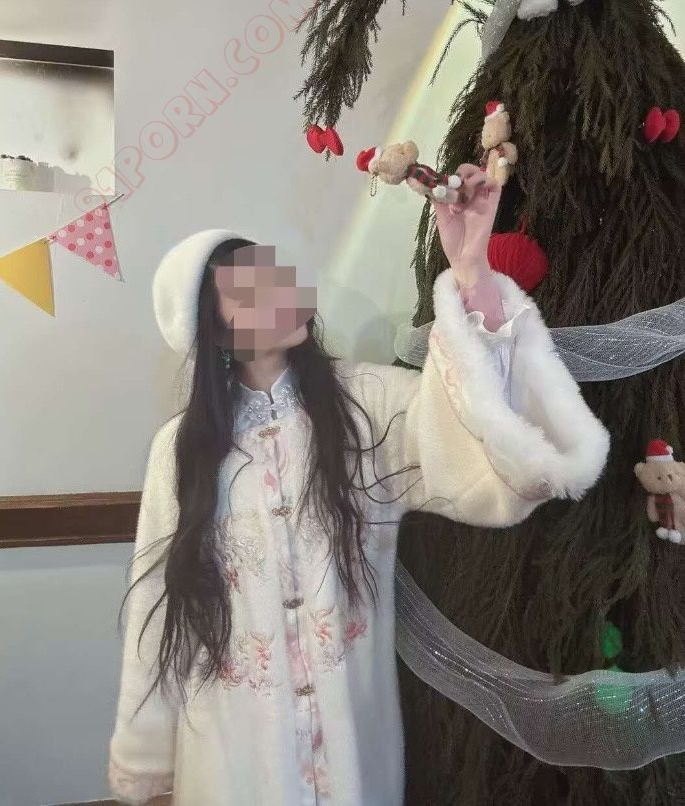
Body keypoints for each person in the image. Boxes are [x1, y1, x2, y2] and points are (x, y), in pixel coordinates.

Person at [107, 179, 609, 805]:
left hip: (352, 752)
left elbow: (488, 455)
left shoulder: (367, 407)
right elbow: (157, 611)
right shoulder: (180, 450)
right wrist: (148, 765)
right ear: (215, 332)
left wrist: (471, 273)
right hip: (229, 757)